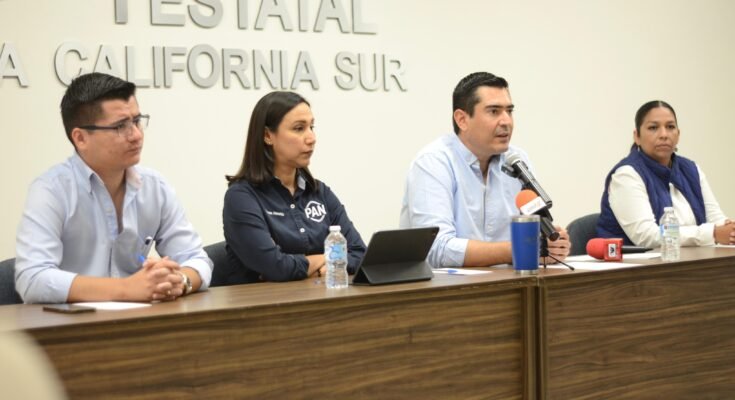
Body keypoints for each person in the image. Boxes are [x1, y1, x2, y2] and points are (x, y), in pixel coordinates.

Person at [15, 72, 212, 304]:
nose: (136, 135)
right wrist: (126, 289)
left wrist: (178, 281)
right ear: (80, 138)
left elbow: (197, 259)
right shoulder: (50, 191)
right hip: (72, 323)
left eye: (137, 121)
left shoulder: (155, 187)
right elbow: (32, 279)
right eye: (120, 126)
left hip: (142, 319)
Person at [400, 72, 570, 268]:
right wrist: (521, 249)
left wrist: (552, 245)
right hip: (445, 285)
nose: (506, 121)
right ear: (462, 119)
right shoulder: (433, 163)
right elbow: (436, 249)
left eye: (509, 111)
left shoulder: (517, 161)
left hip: (507, 281)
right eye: (494, 111)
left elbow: (536, 234)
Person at [214, 91, 366, 285]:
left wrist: (314, 265)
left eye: (311, 127)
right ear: (267, 135)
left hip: (318, 298)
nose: (311, 138)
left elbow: (360, 254)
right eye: (299, 128)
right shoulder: (241, 197)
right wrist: (330, 258)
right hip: (263, 303)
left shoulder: (320, 192)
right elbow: (275, 267)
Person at [597, 100, 735, 247]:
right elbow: (647, 236)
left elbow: (716, 219)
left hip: (691, 258)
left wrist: (730, 231)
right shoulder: (626, 175)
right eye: (653, 127)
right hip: (638, 261)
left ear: (678, 134)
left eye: (670, 127)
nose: (664, 134)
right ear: (637, 136)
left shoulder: (691, 169)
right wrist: (712, 233)